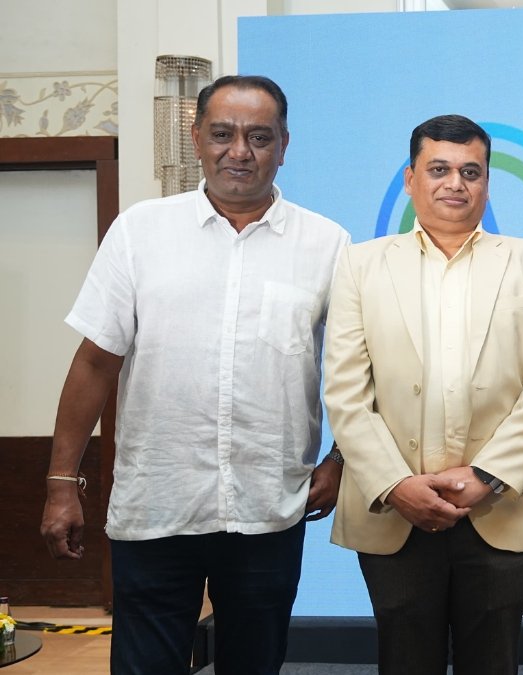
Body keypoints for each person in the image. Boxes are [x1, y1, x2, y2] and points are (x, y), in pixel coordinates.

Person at [39, 75, 351, 674]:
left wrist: (341, 458)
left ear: (284, 145)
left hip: (269, 506)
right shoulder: (140, 231)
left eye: (259, 137)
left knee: (254, 665)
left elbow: (356, 369)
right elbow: (95, 362)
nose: (241, 151)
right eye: (223, 134)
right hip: (157, 503)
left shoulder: (327, 243)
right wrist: (60, 483)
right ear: (196, 139)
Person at [322, 114, 523, 675]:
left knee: (493, 662)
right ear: (411, 179)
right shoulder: (361, 264)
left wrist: (486, 476)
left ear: (487, 182)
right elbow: (344, 391)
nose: (455, 183)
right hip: (394, 510)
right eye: (438, 170)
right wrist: (396, 484)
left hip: (499, 505)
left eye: (470, 171)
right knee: (405, 660)